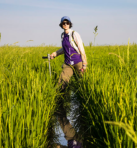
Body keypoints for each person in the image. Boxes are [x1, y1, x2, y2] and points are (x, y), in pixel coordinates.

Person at [50, 16, 87, 148]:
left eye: (67, 23)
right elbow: (64, 49)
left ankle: (86, 101)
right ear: (61, 25)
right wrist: (55, 53)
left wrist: (85, 64)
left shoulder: (74, 34)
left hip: (77, 61)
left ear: (69, 24)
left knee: (83, 83)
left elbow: (81, 48)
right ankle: (58, 103)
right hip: (67, 63)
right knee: (62, 82)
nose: (65, 24)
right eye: (63, 23)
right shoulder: (63, 36)